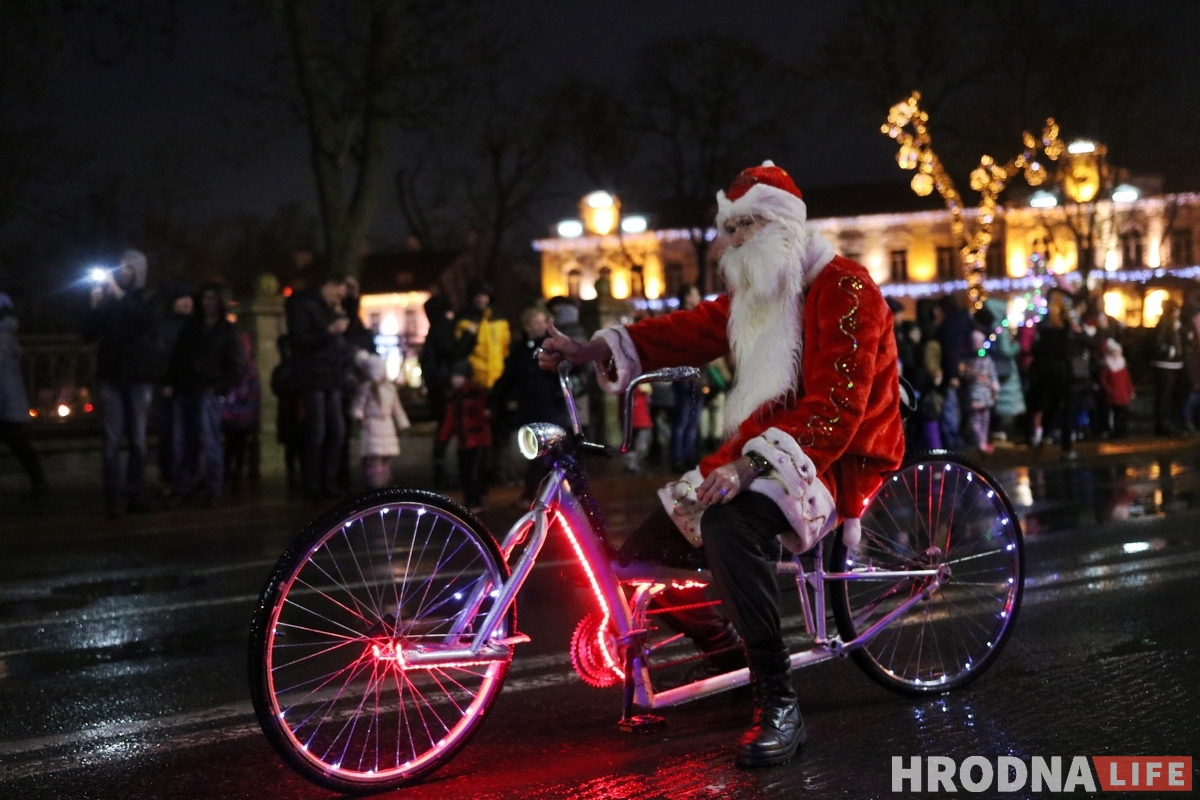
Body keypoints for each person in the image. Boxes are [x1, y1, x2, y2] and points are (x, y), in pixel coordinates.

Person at [539, 162, 904, 768]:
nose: (731, 241)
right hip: (766, 450)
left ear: (783, 227)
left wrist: (748, 468)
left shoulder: (845, 288)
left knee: (729, 529)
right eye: (728, 228)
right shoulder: (757, 293)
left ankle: (778, 700)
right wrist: (595, 348)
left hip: (835, 457)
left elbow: (838, 407)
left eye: (746, 226)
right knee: (639, 558)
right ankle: (728, 656)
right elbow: (688, 329)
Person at [81, 249, 160, 517]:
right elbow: (88, 335)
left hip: (138, 377)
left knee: (138, 439)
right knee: (112, 440)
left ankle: (136, 494)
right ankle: (112, 498)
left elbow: (144, 323)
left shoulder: (148, 298)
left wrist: (118, 294)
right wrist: (94, 307)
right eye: (120, 266)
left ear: (138, 271)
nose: (121, 271)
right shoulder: (110, 299)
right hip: (111, 375)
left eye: (127, 267)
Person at [166, 284, 244, 506]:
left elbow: (237, 366)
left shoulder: (227, 331)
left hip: (208, 391)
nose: (208, 303)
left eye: (212, 299)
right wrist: (173, 381)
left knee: (209, 440)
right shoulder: (192, 327)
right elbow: (178, 356)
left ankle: (211, 487)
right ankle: (186, 485)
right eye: (205, 298)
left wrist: (220, 388)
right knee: (185, 441)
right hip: (187, 389)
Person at [491, 307, 570, 502]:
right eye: (533, 323)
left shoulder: (555, 346)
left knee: (557, 451)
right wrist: (496, 398)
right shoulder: (520, 351)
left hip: (553, 406)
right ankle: (535, 493)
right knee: (536, 453)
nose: (537, 326)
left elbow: (573, 368)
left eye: (540, 322)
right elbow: (509, 377)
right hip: (531, 408)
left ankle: (560, 493)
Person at [286, 274, 351, 500]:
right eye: (338, 292)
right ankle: (313, 483)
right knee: (318, 432)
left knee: (337, 431)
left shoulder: (329, 307)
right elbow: (300, 339)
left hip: (331, 377)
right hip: (313, 377)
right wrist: (329, 331)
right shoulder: (304, 305)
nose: (339, 298)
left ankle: (329, 481)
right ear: (328, 285)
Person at [420, 295, 473, 489]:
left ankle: (442, 471)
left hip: (437, 387)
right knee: (449, 427)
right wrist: (469, 335)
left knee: (443, 429)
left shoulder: (433, 330)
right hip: (445, 388)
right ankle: (447, 474)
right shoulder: (441, 329)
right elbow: (454, 351)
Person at [0, 293, 48, 500]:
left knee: (17, 441)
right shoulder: (7, 333)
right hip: (9, 397)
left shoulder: (3, 335)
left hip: (5, 397)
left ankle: (40, 483)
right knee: (17, 441)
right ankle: (39, 482)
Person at [437, 361, 492, 514]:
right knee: (468, 473)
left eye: (458, 376)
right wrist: (443, 439)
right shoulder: (457, 396)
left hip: (476, 440)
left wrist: (443, 439)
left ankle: (476, 501)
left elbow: (479, 415)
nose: (454, 380)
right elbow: (450, 421)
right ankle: (473, 501)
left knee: (473, 472)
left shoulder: (472, 393)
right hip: (466, 441)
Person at [353, 352, 411, 489]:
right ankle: (376, 483)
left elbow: (397, 408)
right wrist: (359, 416)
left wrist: (403, 423)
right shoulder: (367, 388)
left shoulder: (390, 389)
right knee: (375, 458)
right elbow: (359, 405)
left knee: (386, 458)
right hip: (373, 426)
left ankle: (385, 481)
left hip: (387, 426)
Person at [155, 287, 193, 493]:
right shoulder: (165, 326)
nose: (186, 301)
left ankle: (189, 476)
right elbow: (162, 356)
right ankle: (171, 476)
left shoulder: (196, 324)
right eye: (181, 297)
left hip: (193, 387)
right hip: (172, 388)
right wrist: (166, 381)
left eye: (188, 296)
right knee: (170, 433)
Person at [669, 284, 704, 471]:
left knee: (692, 419)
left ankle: (688, 456)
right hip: (685, 376)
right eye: (696, 293)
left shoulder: (696, 317)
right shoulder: (683, 319)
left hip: (695, 376)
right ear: (688, 297)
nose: (699, 297)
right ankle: (679, 457)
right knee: (683, 419)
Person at [222, 330, 261, 492]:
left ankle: (233, 478)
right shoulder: (247, 366)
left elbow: (253, 391)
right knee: (233, 447)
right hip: (235, 413)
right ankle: (230, 477)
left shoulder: (248, 367)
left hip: (240, 413)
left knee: (236, 447)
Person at [270, 335, 303, 490]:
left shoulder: (284, 369)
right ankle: (294, 476)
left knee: (295, 448)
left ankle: (297, 476)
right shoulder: (284, 369)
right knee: (292, 448)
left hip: (293, 411)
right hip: (289, 411)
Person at [1151, 298, 1183, 436]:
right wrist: (1170, 351)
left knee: (1167, 395)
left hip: (1172, 365)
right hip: (1165, 365)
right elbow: (1158, 343)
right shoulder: (1164, 324)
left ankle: (1165, 422)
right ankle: (1162, 424)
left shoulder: (1174, 324)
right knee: (1164, 395)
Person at [964, 329, 1000, 454]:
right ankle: (980, 442)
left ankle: (982, 442)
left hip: (985, 394)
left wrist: (995, 390)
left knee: (984, 419)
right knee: (976, 419)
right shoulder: (970, 361)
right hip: (975, 393)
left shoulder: (987, 361)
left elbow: (993, 375)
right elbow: (967, 375)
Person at [1098, 339, 1134, 438]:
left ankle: (1123, 430)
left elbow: (1127, 380)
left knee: (1123, 413)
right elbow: (1104, 380)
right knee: (1115, 414)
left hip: (1123, 394)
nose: (1116, 354)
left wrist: (1130, 390)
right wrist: (1108, 389)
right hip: (1114, 394)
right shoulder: (1107, 365)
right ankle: (1115, 431)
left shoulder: (1122, 364)